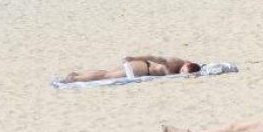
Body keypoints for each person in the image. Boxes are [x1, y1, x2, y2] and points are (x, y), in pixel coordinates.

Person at [59, 55, 202, 83]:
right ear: (185, 66)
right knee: (106, 76)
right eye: (183, 72)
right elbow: (154, 57)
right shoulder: (173, 63)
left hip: (142, 65)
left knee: (107, 72)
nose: (182, 74)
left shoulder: (185, 64)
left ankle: (77, 74)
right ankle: (74, 79)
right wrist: (133, 58)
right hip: (142, 69)